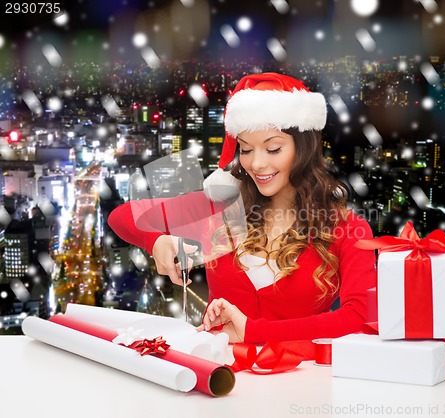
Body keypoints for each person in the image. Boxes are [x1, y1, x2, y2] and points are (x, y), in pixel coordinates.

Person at [108, 72, 376, 344]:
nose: (257, 164)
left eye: (273, 149)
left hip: (302, 383)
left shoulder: (347, 228)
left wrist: (255, 332)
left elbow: (359, 317)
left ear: (304, 149)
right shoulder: (223, 206)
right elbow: (122, 217)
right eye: (246, 150)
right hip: (217, 378)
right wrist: (155, 240)